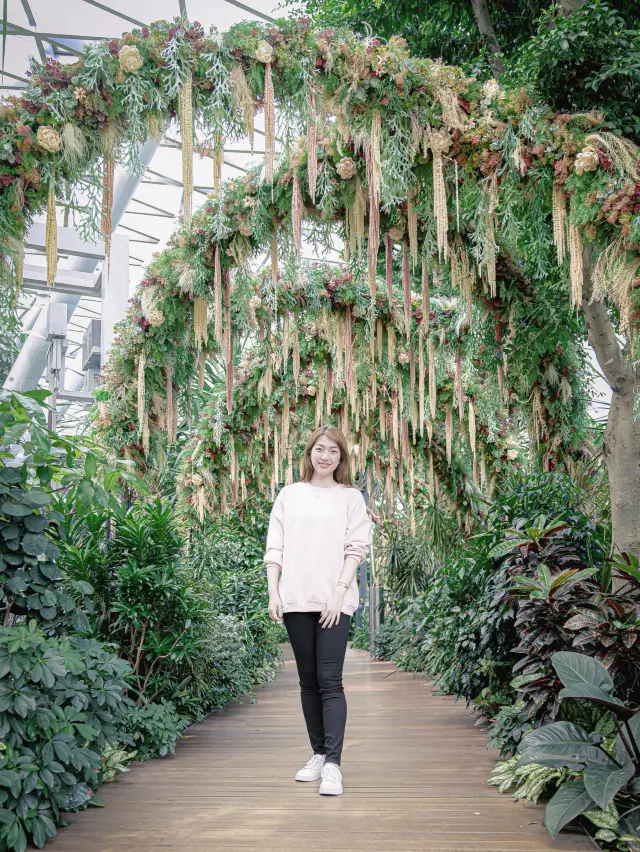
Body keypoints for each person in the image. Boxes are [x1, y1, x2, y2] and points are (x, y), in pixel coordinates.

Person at [263, 425, 372, 796]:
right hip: (296, 599)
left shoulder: (350, 498)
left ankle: (334, 766)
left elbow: (355, 549)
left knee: (330, 680)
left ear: (341, 458)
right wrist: (273, 592)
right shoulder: (289, 495)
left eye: (334, 452)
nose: (325, 457)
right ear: (309, 452)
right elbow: (275, 547)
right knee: (307, 681)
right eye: (320, 449)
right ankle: (318, 753)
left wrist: (339, 594)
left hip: (334, 603)